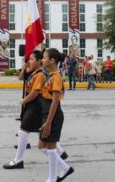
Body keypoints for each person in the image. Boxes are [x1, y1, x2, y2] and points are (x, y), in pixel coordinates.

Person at [39, 49, 74, 182]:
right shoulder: (50, 74)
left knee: (50, 148)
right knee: (42, 146)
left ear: (52, 60)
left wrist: (48, 122)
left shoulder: (57, 77)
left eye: (44, 58)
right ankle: (64, 168)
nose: (42, 60)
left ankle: (52, 178)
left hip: (53, 114)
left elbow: (55, 101)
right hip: (46, 113)